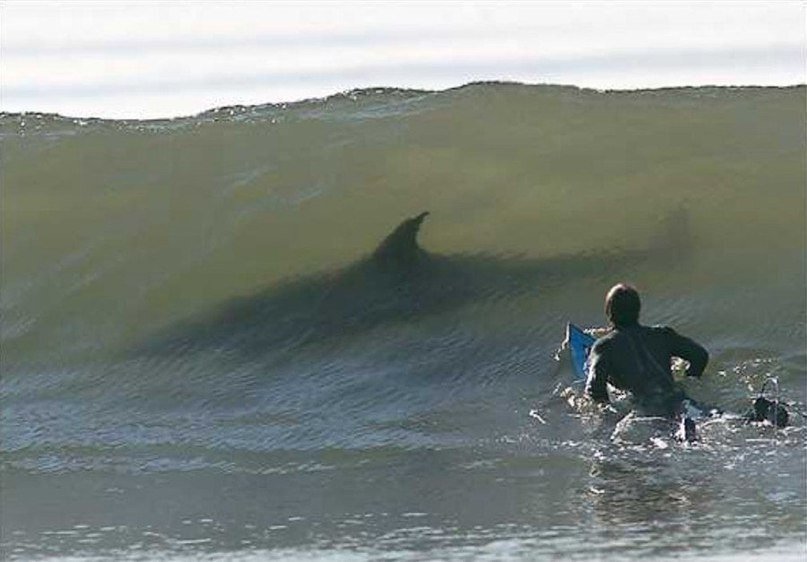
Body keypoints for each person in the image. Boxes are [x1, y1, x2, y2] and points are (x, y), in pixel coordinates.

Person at [585, 283, 709, 421]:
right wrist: (686, 381)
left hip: (646, 410)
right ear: (638, 311)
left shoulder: (604, 346)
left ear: (609, 313)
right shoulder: (662, 334)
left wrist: (611, 414)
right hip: (677, 399)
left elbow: (594, 389)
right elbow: (700, 356)